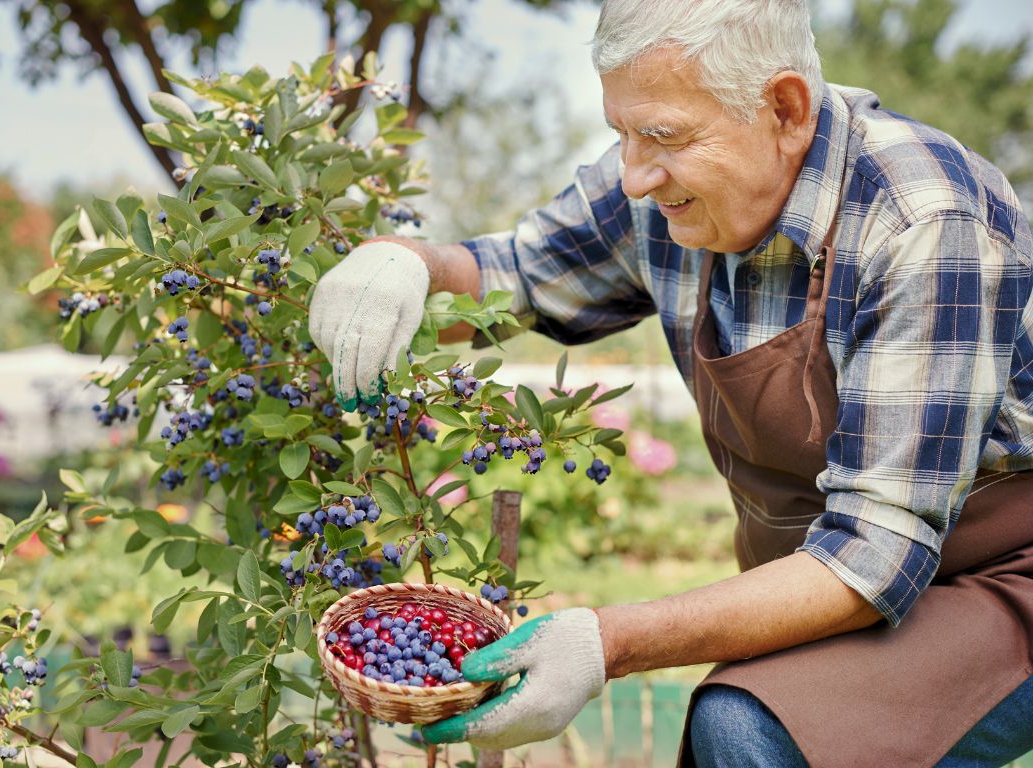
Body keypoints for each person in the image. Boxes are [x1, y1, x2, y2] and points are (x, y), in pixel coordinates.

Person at [308, 0, 1033, 764]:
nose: (632, 175)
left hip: (1001, 577)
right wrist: (406, 267)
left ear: (784, 107)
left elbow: (874, 555)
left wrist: (607, 642)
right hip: (836, 573)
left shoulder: (925, 220)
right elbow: (512, 276)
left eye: (661, 136)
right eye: (621, 132)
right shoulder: (664, 189)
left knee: (750, 727)